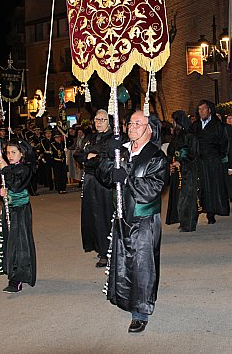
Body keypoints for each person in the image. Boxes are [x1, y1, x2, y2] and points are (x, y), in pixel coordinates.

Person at [95, 111, 169, 333]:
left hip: (144, 218)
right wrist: (111, 155)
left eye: (138, 123)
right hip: (122, 214)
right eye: (130, 123)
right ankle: (125, 298)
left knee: (142, 264)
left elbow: (152, 190)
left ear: (150, 129)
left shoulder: (157, 157)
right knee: (123, 259)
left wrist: (126, 176)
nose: (132, 127)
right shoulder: (124, 151)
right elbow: (104, 175)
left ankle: (141, 311)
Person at [0, 139, 37, 293]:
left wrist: (6, 169)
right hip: (9, 210)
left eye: (13, 152)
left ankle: (18, 278)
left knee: (20, 243)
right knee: (9, 242)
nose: (10, 155)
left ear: (21, 154)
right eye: (7, 152)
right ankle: (11, 272)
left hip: (21, 210)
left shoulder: (25, 169)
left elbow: (17, 185)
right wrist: (0, 192)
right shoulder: (8, 168)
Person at [73, 109, 114, 267]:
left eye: (102, 119)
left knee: (104, 215)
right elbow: (78, 154)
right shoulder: (89, 137)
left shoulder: (112, 138)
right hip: (89, 180)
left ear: (108, 121)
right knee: (91, 215)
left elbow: (106, 157)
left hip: (103, 182)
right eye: (97, 119)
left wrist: (92, 157)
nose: (99, 122)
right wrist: (89, 157)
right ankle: (98, 245)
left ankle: (106, 250)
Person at [192, 100, 229, 224]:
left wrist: (218, 156)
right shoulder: (195, 125)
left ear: (209, 110)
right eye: (199, 109)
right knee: (200, 188)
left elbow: (224, 143)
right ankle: (199, 210)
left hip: (213, 162)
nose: (201, 111)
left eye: (203, 109)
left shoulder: (218, 125)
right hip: (199, 162)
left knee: (212, 187)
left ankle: (211, 213)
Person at [165, 110, 199, 232]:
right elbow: (170, 151)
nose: (172, 124)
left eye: (174, 121)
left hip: (188, 170)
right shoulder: (176, 137)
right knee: (178, 196)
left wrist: (182, 161)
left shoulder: (191, 136)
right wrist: (170, 162)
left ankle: (189, 223)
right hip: (177, 171)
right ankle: (181, 220)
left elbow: (194, 154)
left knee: (188, 196)